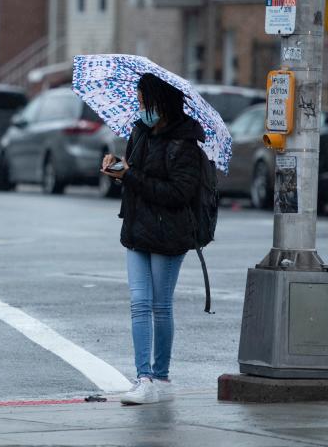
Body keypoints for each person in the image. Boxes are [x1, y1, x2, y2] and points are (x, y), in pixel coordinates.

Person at [102, 73, 204, 405]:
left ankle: (160, 377)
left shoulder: (185, 143)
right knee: (138, 304)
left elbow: (178, 193)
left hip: (168, 234)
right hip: (136, 228)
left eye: (145, 101)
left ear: (162, 102)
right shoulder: (139, 131)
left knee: (160, 306)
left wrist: (131, 175)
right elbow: (134, 175)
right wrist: (118, 169)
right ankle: (142, 377)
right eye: (139, 100)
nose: (140, 106)